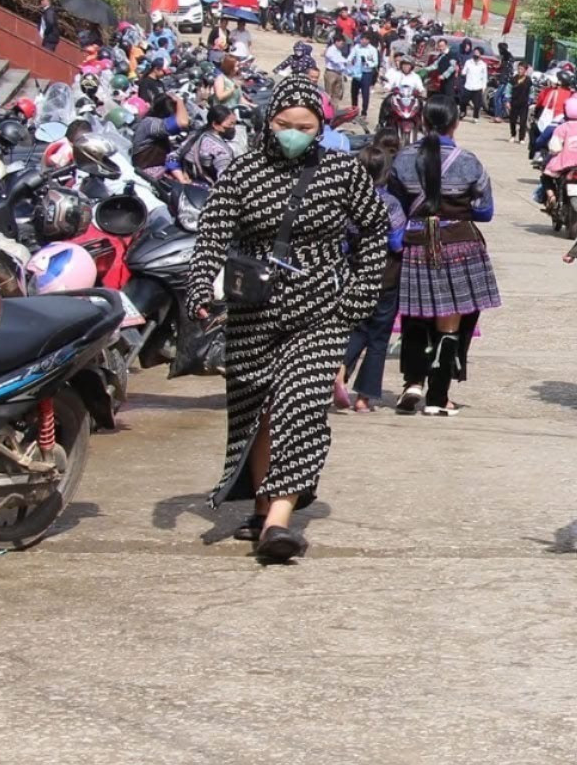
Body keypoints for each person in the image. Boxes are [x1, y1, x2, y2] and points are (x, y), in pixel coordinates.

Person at [184, 74, 390, 563]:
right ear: (268, 122)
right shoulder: (243, 171)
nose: (294, 132)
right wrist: (199, 287)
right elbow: (212, 234)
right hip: (252, 311)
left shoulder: (343, 172)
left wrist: (358, 297)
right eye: (284, 123)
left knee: (300, 407)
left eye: (305, 125)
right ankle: (260, 510)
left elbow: (376, 230)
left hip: (320, 310)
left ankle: (278, 522)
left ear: (319, 127)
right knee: (259, 412)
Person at [389, 97, 500, 416]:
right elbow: (485, 211)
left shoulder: (402, 160)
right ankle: (438, 395)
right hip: (460, 246)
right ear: (455, 123)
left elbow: (395, 205)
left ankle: (412, 383)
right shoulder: (469, 162)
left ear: (423, 121)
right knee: (451, 322)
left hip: (417, 243)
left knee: (414, 314)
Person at [337, 136, 407, 413]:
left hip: (353, 273)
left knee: (356, 328)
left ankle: (339, 367)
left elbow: (340, 241)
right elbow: (396, 242)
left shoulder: (346, 201)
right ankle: (364, 399)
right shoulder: (390, 204)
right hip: (385, 276)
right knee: (378, 336)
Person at [542, 94, 577, 211]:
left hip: (564, 165)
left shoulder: (561, 128)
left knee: (545, 176)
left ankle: (551, 196)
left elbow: (554, 148)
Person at [168, 105, 241, 186]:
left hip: (187, 185)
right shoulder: (220, 150)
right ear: (215, 125)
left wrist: (181, 178)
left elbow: (172, 157)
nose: (233, 128)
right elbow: (225, 179)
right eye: (230, 124)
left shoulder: (194, 137)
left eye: (235, 124)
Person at [129, 93, 188, 178]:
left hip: (163, 171)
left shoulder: (159, 130)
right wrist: (180, 102)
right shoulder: (149, 123)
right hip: (147, 173)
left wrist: (181, 174)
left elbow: (171, 156)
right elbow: (183, 122)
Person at [348, 34, 381, 116]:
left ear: (368, 40)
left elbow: (375, 63)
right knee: (354, 92)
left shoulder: (373, 49)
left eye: (365, 39)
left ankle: (364, 112)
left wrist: (367, 63)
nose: (363, 41)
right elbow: (350, 58)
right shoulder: (356, 47)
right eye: (362, 39)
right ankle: (354, 111)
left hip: (367, 73)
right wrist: (349, 67)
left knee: (365, 94)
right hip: (356, 73)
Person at [460, 49, 490, 121]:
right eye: (475, 53)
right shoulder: (468, 62)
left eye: (477, 53)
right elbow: (464, 71)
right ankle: (463, 112)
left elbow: (484, 77)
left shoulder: (483, 65)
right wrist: (463, 73)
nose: (476, 55)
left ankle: (475, 117)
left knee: (477, 104)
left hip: (477, 86)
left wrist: (484, 87)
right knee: (463, 101)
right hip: (468, 85)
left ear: (480, 55)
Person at [508, 63, 534, 144]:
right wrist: (507, 101)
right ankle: (513, 135)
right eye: (519, 69)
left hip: (524, 104)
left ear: (525, 70)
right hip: (514, 103)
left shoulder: (528, 80)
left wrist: (529, 101)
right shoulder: (513, 79)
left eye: (522, 69)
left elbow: (531, 92)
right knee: (512, 120)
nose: (519, 71)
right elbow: (508, 90)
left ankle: (521, 138)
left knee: (523, 121)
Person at [322, 34, 349, 108]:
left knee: (337, 94)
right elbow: (336, 60)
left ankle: (334, 110)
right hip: (331, 73)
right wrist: (347, 60)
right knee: (328, 94)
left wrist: (344, 73)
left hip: (338, 73)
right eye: (341, 43)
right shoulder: (330, 50)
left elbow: (341, 65)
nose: (342, 45)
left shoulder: (338, 51)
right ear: (337, 41)